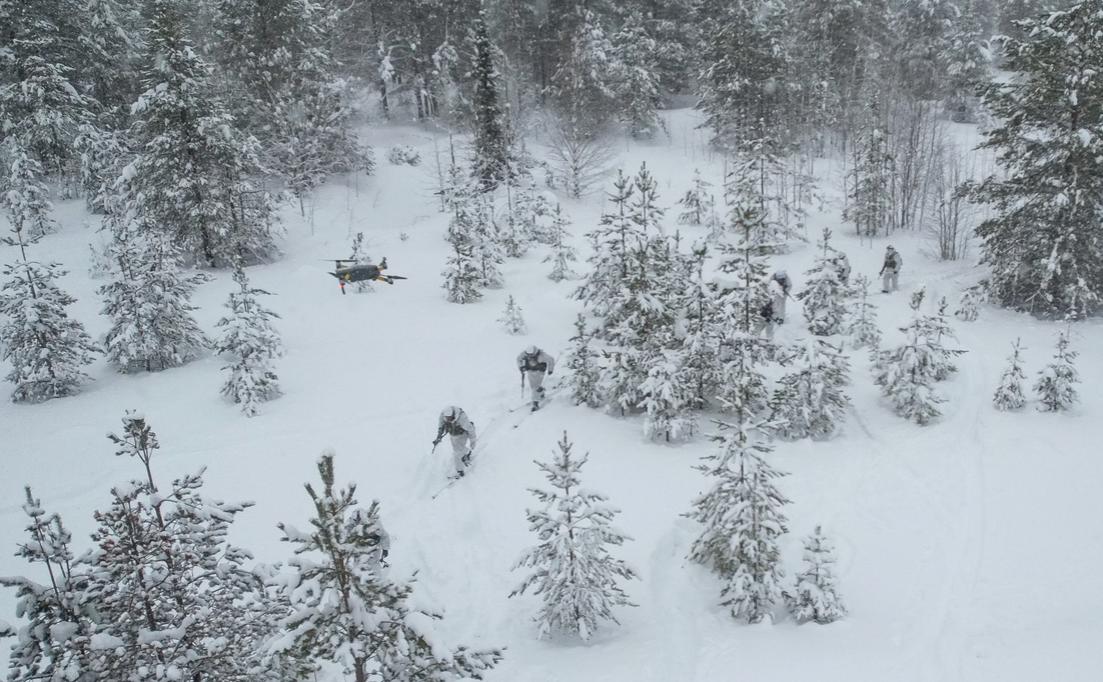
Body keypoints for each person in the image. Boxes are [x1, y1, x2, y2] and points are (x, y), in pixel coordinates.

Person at [432, 406, 476, 477]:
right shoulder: (443, 415)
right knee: (457, 450)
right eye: (447, 418)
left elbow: (471, 430)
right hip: (453, 435)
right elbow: (441, 425)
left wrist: (473, 441)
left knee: (457, 453)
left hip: (462, 434)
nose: (448, 419)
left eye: (450, 418)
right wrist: (439, 436)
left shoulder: (462, 418)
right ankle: (467, 452)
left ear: (453, 415)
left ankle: (459, 471)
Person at [517, 345, 556, 412]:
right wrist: (521, 367)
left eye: (531, 355)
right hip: (530, 371)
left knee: (536, 386)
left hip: (539, 371)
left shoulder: (542, 354)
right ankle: (541, 394)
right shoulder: (525, 353)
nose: (530, 356)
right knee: (533, 386)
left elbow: (551, 360)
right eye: (528, 355)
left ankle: (535, 403)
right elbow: (518, 359)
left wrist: (550, 369)